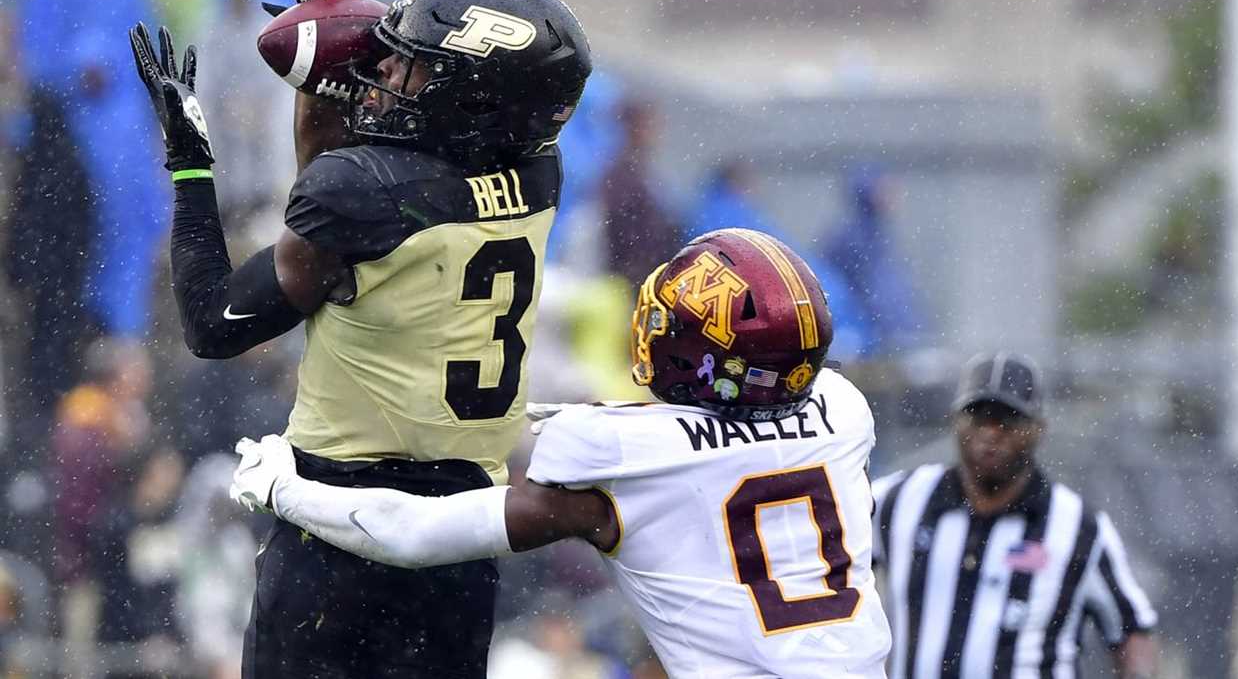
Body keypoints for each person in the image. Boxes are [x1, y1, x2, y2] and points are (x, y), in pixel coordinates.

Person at [128, 0, 592, 679]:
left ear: (471, 97)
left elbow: (213, 321)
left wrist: (190, 165)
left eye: (410, 67)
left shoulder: (361, 194)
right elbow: (353, 190)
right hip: (460, 545)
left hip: (337, 544)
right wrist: (343, 58)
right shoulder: (539, 173)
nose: (383, 74)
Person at [231, 228, 893, 679]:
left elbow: (412, 533)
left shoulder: (618, 455)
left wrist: (287, 489)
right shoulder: (841, 409)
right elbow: (730, 447)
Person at [870, 352, 1158, 679]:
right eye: (978, 416)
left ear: (1039, 429)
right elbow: (824, 566)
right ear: (954, 420)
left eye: (1007, 419)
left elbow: (1131, 630)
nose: (991, 432)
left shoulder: (1078, 527)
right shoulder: (898, 501)